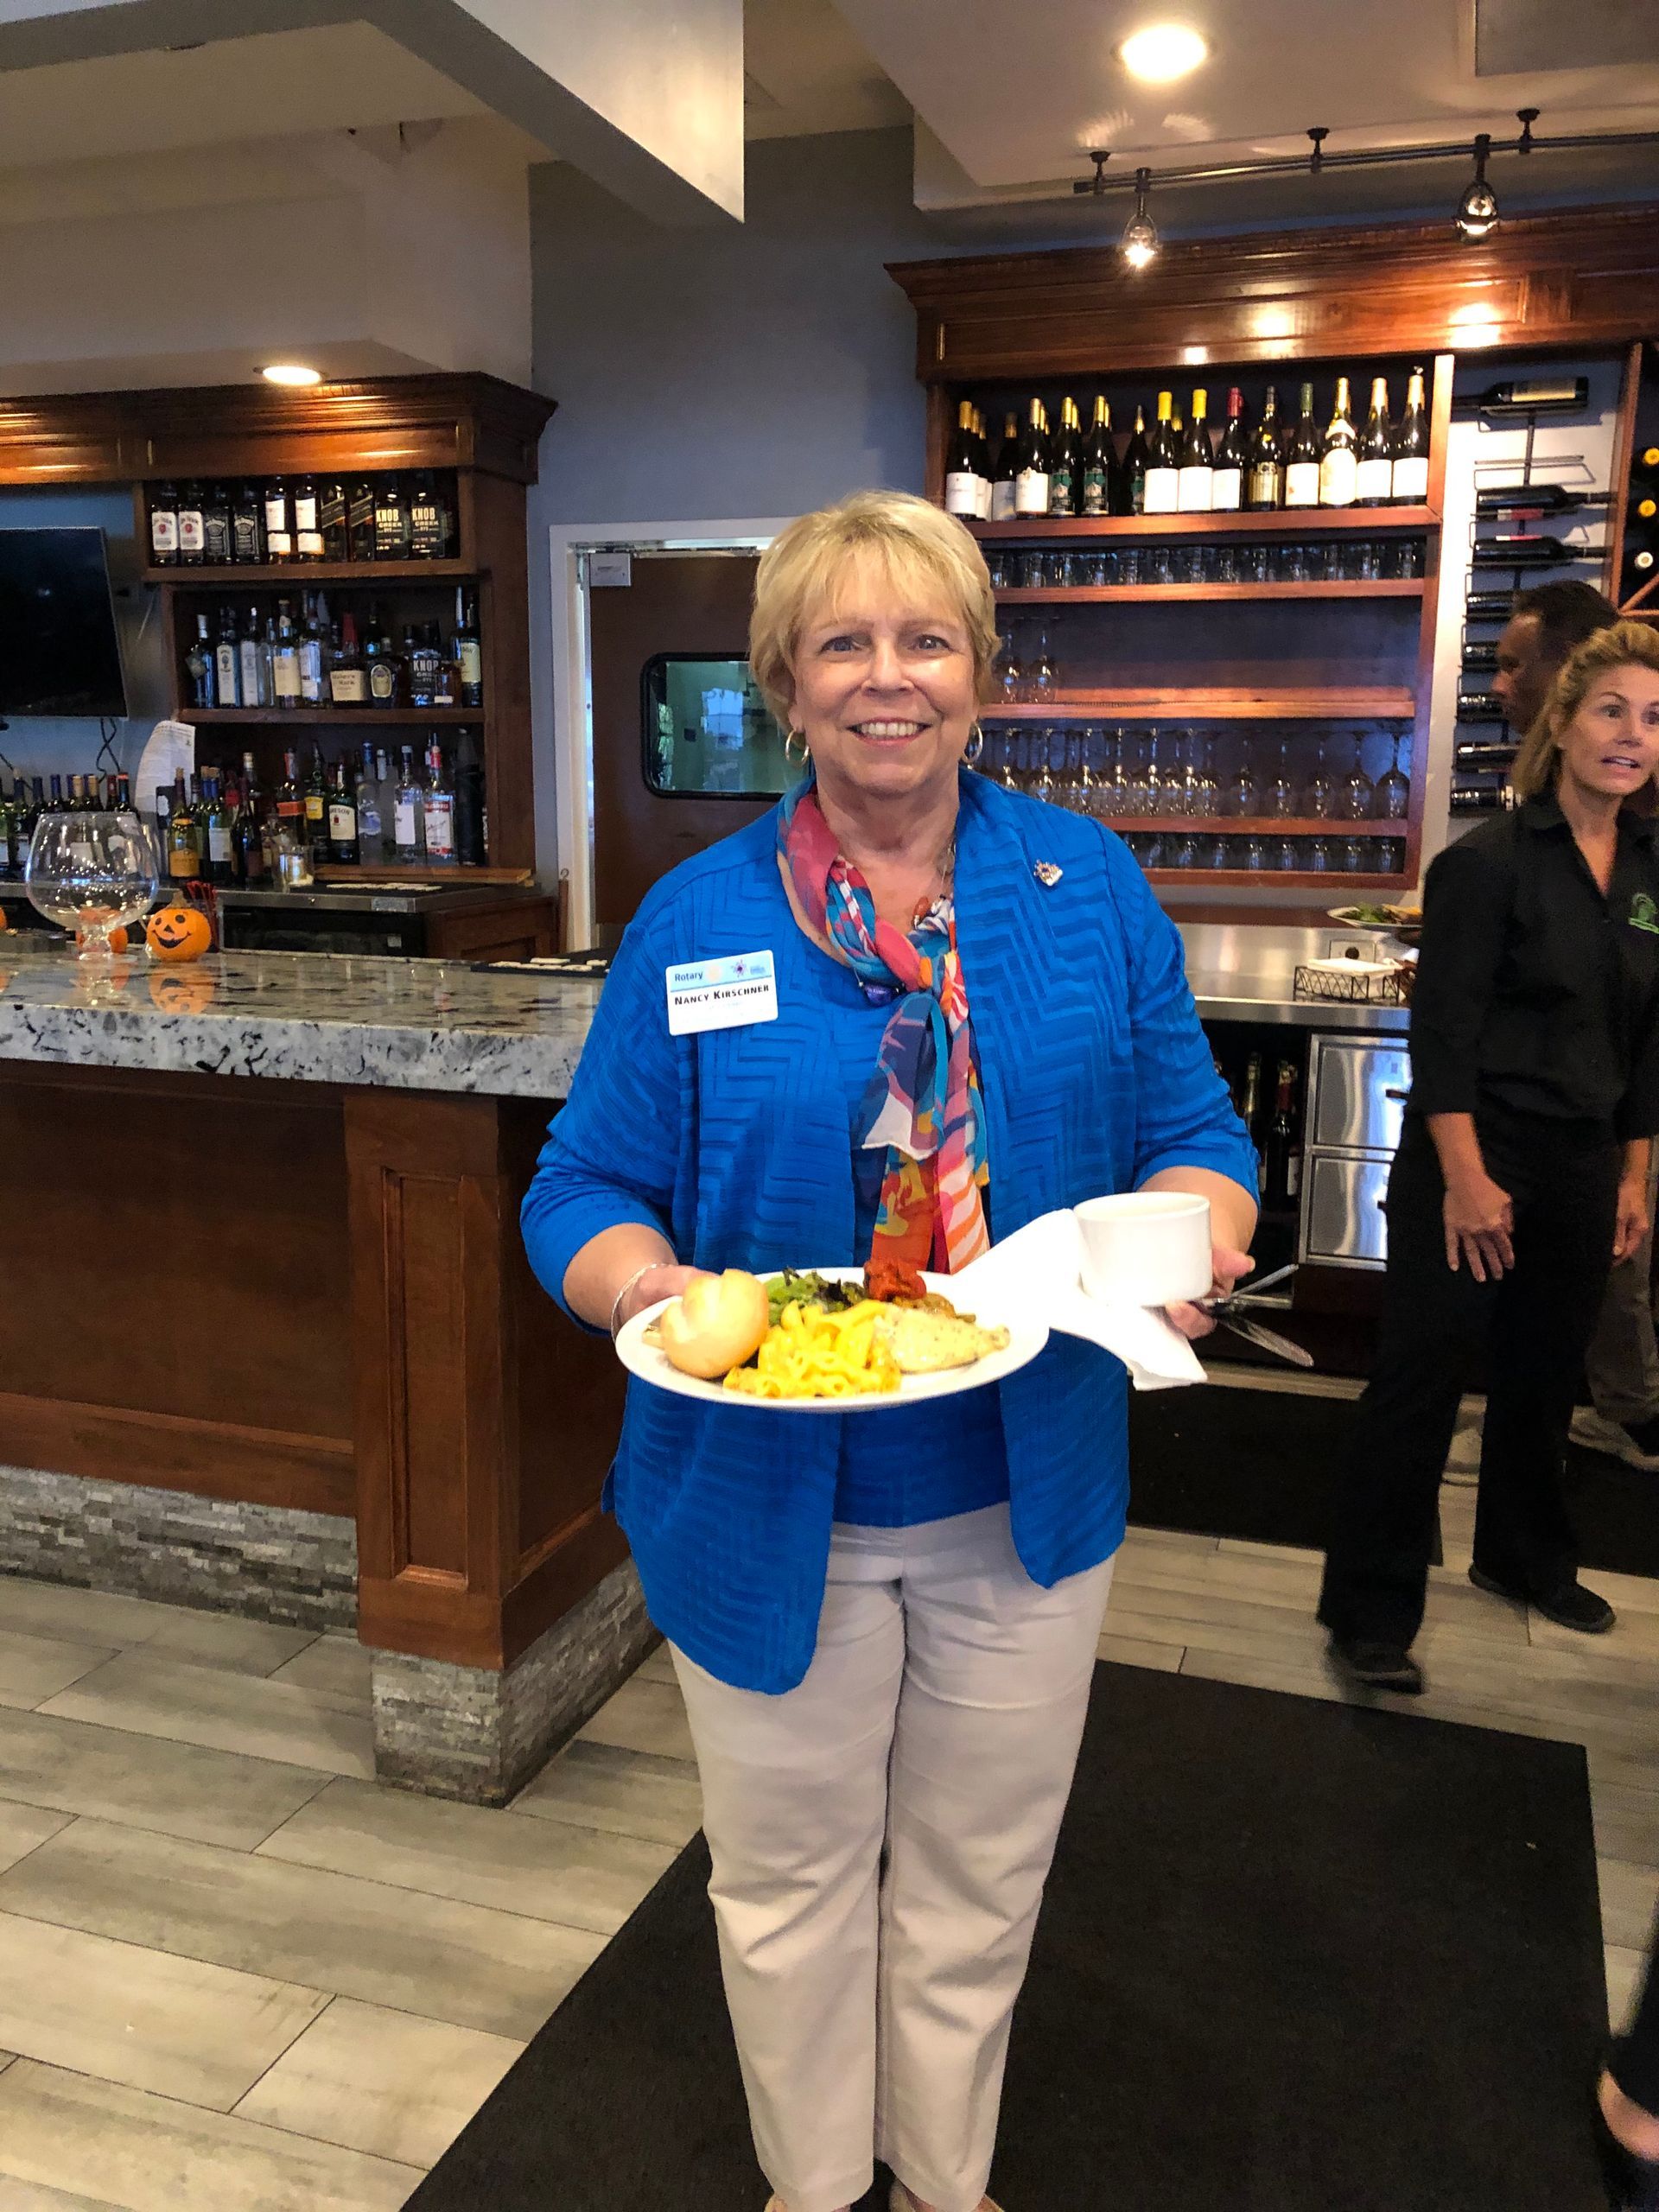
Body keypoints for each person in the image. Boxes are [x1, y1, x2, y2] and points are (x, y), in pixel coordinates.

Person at [521, 490, 1258, 2212]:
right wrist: (649, 1296)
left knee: (976, 1877)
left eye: (926, 637)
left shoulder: (1088, 889)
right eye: (842, 641)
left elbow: (1200, 1129)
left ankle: (942, 2176)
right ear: (786, 680)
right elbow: (583, 1185)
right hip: (765, 1490)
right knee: (786, 1882)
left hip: (1023, 1488)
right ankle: (813, 2186)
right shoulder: (696, 918)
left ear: (982, 673)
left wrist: (1194, 1229)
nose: (888, 677)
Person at [1318, 620, 1659, 1694]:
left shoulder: (1652, 871)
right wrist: (1467, 1183)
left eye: (1653, 719)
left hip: (1582, 1161)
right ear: (1563, 725)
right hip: (1470, 1157)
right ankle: (1369, 1610)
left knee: (1545, 1379)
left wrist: (1635, 1176)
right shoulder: (1487, 864)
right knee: (1419, 1383)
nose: (1632, 735)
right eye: (1612, 710)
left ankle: (1523, 1558)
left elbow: (1646, 1042)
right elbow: (1444, 1038)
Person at [1491, 583, 1659, 1468]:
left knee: (1616, 1253)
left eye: (1516, 663)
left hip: (1618, 1085)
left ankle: (1630, 1411)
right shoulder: (1523, 829)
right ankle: (1550, 1418)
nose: (1500, 682)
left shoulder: (1639, 836)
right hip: (1567, 1101)